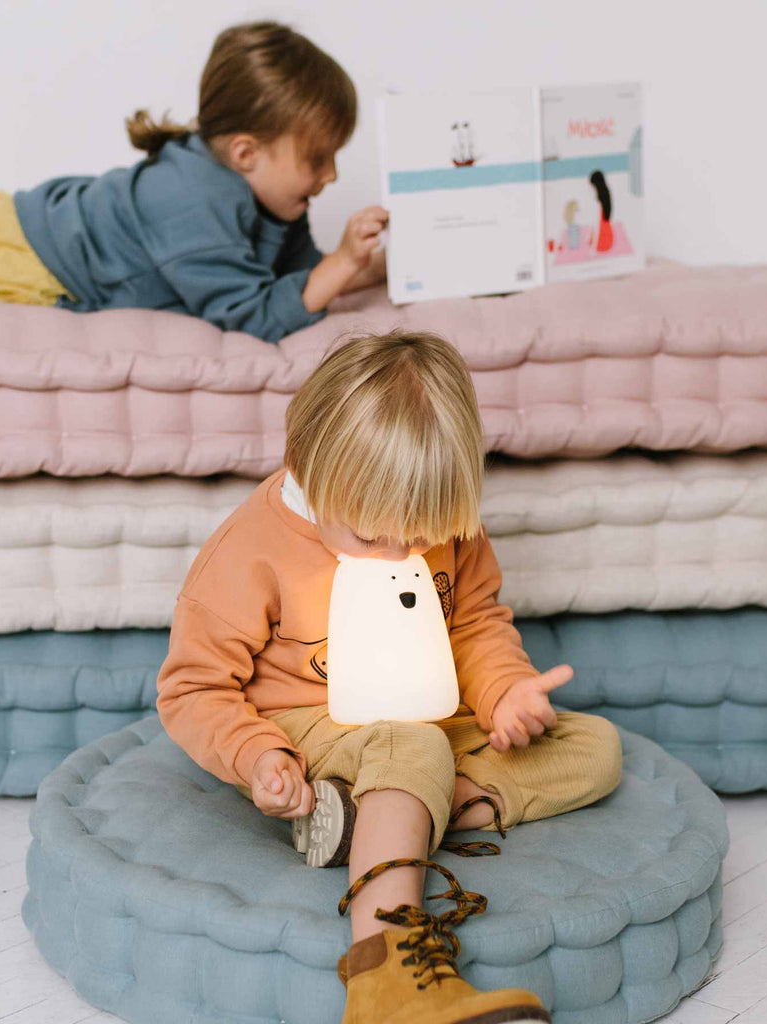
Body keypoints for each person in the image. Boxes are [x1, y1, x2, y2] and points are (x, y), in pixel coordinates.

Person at [157, 329, 623, 1023]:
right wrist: (258, 756)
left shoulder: (439, 521)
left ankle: (369, 817)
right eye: (371, 536)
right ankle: (387, 973)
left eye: (420, 535)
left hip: (428, 713)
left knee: (595, 748)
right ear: (304, 466)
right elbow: (192, 688)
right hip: (312, 724)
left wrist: (505, 692)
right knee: (414, 746)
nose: (400, 553)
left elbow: (474, 624)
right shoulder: (249, 550)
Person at [0, 21, 387, 344]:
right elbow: (251, 315)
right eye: (317, 159)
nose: (332, 175)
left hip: (2, 231)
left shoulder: (271, 199)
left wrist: (368, 265)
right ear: (246, 153)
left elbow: (300, 280)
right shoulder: (194, 202)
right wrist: (342, 264)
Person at [589, 170, 614, 253]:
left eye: (594, 187)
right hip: (605, 225)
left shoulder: (602, 198)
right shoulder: (604, 195)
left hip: (603, 228)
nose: (593, 189)